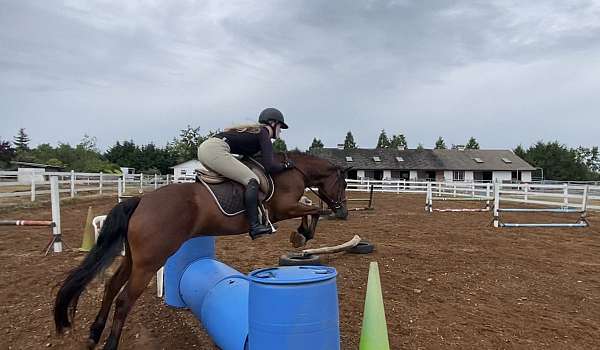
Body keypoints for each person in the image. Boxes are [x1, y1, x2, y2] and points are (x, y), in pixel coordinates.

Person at [197, 108, 294, 239]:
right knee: (251, 179)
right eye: (280, 126)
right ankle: (254, 226)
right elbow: (270, 166)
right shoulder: (263, 134)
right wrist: (286, 166)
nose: (281, 130)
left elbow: (254, 159)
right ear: (272, 123)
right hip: (215, 150)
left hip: (208, 148)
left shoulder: (257, 134)